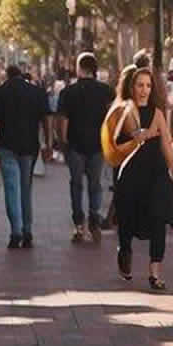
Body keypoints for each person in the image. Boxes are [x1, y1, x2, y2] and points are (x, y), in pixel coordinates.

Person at [109, 65, 173, 291]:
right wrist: (141, 134)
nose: (144, 90)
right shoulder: (122, 111)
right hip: (130, 173)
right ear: (131, 86)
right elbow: (125, 138)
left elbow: (165, 143)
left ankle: (155, 272)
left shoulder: (157, 113)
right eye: (140, 85)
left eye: (148, 85)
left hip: (156, 173)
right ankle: (124, 251)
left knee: (159, 219)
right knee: (127, 220)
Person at [55, 52, 115, 247]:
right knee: (95, 184)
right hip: (98, 145)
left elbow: (63, 120)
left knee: (76, 184)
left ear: (79, 68)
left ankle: (79, 224)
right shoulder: (106, 91)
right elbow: (112, 118)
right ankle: (95, 220)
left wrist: (62, 141)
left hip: (75, 145)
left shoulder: (68, 92)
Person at [0, 65, 46, 250]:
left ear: (7, 75)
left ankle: (16, 230)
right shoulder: (36, 92)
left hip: (6, 144)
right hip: (29, 145)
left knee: (12, 189)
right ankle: (27, 229)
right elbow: (45, 119)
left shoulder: (0, 93)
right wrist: (48, 143)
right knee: (25, 188)